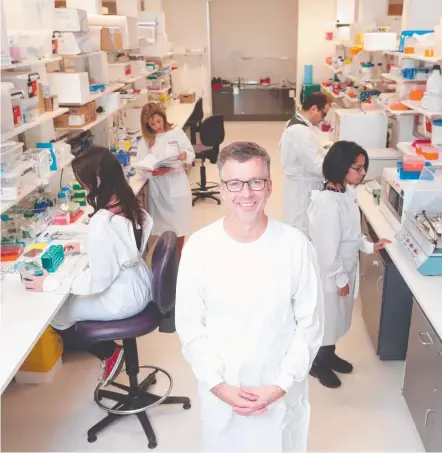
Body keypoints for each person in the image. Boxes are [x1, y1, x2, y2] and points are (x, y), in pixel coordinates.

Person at [175, 141, 324, 452]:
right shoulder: (200, 248)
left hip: (281, 392)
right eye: (234, 183)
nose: (245, 193)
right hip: (222, 393)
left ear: (269, 186)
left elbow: (310, 325)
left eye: (255, 181)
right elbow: (190, 327)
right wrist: (218, 385)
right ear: (223, 187)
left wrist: (281, 385)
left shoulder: (295, 247)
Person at [21, 146, 154, 387]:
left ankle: (109, 352)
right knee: (71, 297)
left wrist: (49, 282)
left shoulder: (103, 221)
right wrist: (85, 248)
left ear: (98, 179)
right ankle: (112, 352)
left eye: (84, 181)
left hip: (123, 298)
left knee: (58, 316)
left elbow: (98, 281)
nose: (82, 186)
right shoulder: (129, 202)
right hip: (143, 284)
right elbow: (124, 246)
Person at [307, 141, 391, 389]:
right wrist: (340, 279)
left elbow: (350, 235)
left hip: (344, 268)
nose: (362, 173)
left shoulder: (344, 193)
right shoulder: (327, 204)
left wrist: (369, 246)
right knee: (328, 320)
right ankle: (317, 364)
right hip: (331, 273)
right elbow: (326, 251)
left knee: (337, 319)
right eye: (358, 168)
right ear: (342, 167)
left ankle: (328, 353)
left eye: (364, 167)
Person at [136, 102, 195, 259]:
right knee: (164, 228)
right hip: (159, 190)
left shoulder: (176, 132)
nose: (157, 126)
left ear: (163, 117)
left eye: (158, 121)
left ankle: (178, 257)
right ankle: (167, 258)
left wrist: (184, 155)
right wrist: (153, 172)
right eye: (152, 124)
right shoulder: (146, 140)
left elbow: (191, 153)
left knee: (180, 225)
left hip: (177, 185)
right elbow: (141, 166)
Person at [279, 92, 330, 236]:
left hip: (299, 186)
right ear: (314, 108)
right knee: (301, 229)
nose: (323, 120)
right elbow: (316, 166)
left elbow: (310, 153)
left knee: (298, 226)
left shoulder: (297, 122)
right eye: (323, 114)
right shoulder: (299, 131)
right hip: (302, 190)